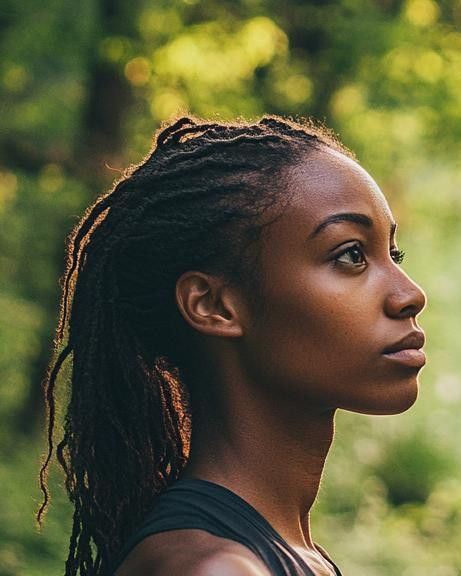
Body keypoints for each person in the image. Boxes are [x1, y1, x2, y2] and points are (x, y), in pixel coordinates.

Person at [35, 116, 428, 576]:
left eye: (392, 255)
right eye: (351, 255)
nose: (410, 294)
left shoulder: (287, 555)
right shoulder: (218, 568)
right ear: (215, 305)